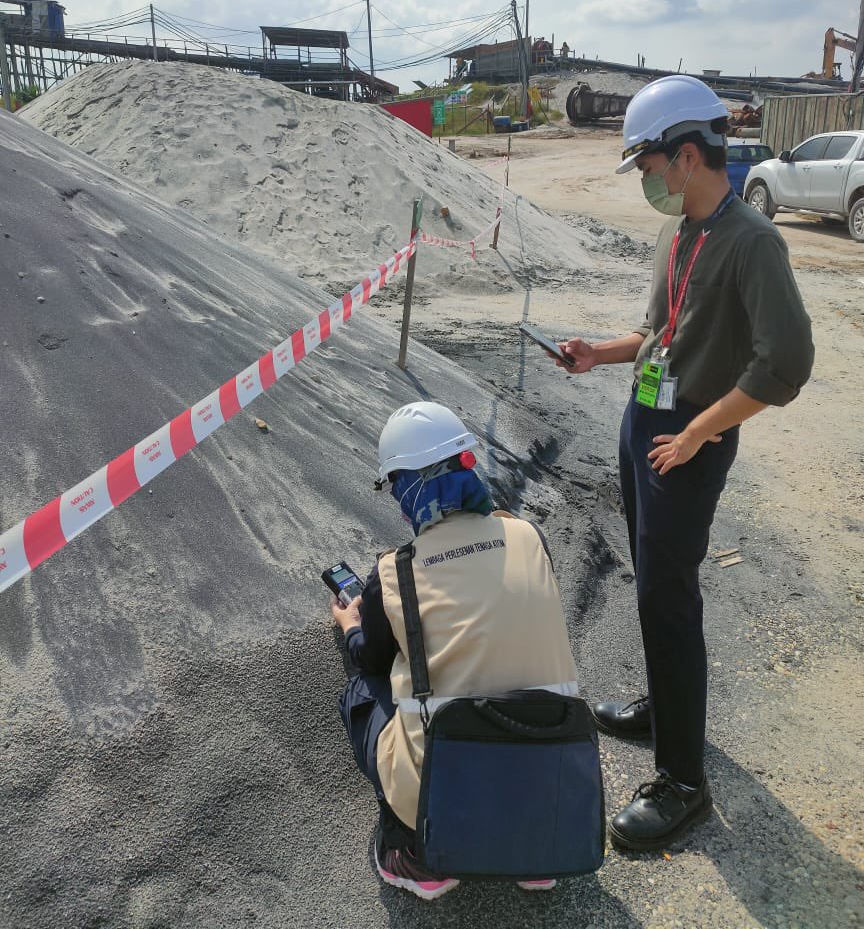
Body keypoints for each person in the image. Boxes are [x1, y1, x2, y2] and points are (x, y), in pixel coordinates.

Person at [552, 74, 813, 852]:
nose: (645, 180)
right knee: (650, 574)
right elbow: (658, 334)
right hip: (647, 423)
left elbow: (785, 365)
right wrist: (598, 352)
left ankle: (683, 783)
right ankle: (666, 709)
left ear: (688, 156)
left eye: (648, 165)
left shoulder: (753, 243)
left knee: (670, 595)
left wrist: (701, 432)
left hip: (688, 439)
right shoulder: (679, 234)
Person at [331, 401, 580, 900]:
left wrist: (352, 624)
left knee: (363, 689)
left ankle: (417, 856)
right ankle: (530, 848)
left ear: (405, 486)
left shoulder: (395, 571)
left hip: (449, 789)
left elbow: (371, 660)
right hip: (554, 778)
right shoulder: (530, 536)